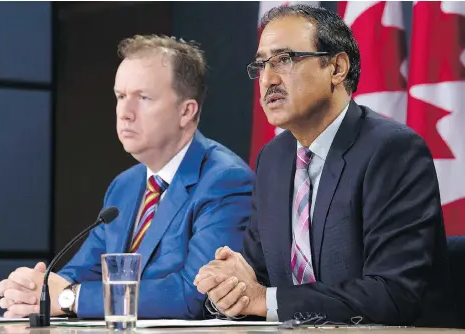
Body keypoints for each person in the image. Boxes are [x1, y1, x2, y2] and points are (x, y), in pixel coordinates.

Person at [194, 4, 458, 327]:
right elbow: (258, 277)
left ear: (337, 68)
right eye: (261, 65)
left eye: (284, 60)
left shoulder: (393, 152)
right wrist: (231, 288)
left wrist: (263, 298)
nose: (268, 79)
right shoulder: (272, 160)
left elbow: (391, 294)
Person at [0, 34, 254, 320]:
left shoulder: (225, 181)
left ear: (186, 111)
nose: (125, 113)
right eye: (120, 96)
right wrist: (36, 288)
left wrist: (71, 298)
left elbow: (194, 295)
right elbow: (82, 271)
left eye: (143, 98)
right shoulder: (125, 185)